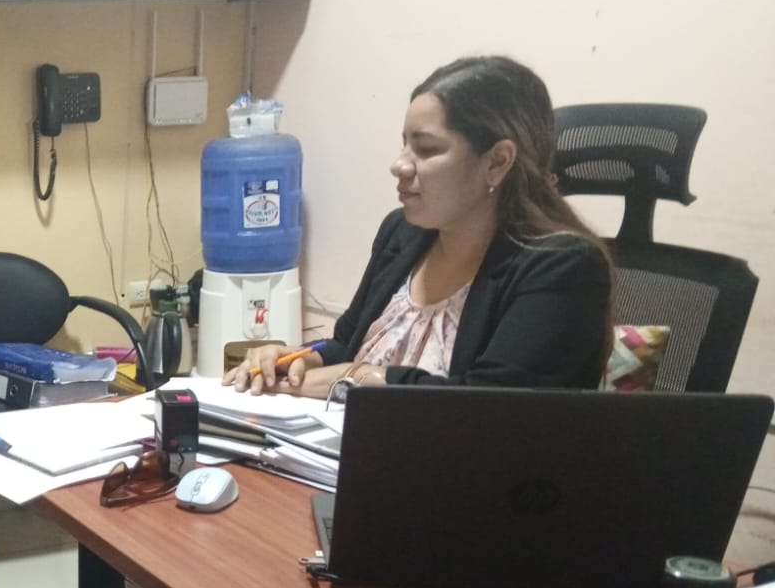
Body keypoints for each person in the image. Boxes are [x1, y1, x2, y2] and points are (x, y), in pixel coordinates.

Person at [226, 54, 612, 398]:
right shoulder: (402, 233)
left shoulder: (563, 267)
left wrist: (358, 377)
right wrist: (301, 359)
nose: (399, 165)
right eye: (404, 145)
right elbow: (347, 344)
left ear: (497, 162)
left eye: (426, 149)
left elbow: (489, 406)